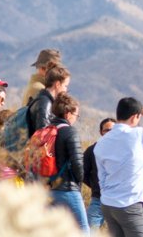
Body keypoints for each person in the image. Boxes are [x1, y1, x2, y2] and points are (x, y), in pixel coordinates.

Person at [95, 97, 143, 237]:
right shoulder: (139, 135)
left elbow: (102, 178)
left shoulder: (101, 143)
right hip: (130, 204)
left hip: (108, 204)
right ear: (135, 117)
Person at [48, 93, 88, 232]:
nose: (76, 119)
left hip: (47, 188)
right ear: (67, 113)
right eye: (76, 115)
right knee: (82, 229)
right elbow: (78, 163)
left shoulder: (45, 130)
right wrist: (79, 181)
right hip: (67, 188)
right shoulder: (70, 132)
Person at [84, 117, 116, 233]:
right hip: (98, 199)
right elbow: (83, 173)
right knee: (89, 232)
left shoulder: (123, 150)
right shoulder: (92, 150)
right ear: (101, 132)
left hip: (119, 200)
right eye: (106, 130)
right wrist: (95, 185)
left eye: (112, 130)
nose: (109, 133)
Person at [26, 64, 70, 138]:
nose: (66, 90)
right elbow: (43, 136)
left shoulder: (43, 99)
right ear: (58, 84)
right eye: (65, 86)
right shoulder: (45, 103)